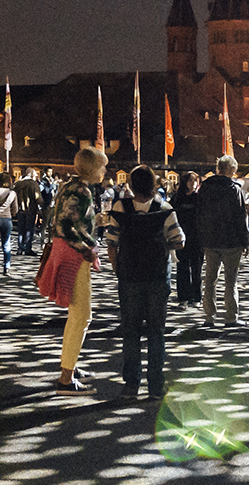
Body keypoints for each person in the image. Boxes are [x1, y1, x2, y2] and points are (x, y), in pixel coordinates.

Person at [109, 164, 184, 399]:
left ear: (131, 184)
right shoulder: (164, 208)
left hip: (129, 276)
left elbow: (112, 242)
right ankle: (155, 385)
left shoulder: (121, 207)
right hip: (157, 276)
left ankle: (131, 384)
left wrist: (118, 269)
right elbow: (179, 240)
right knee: (156, 331)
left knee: (130, 331)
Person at [46, 145, 107, 393]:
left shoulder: (69, 186)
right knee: (82, 315)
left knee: (75, 315)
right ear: (93, 169)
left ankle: (69, 364)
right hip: (74, 256)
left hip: (66, 252)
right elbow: (65, 226)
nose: (104, 171)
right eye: (102, 166)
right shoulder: (82, 192)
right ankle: (66, 377)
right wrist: (86, 248)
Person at [195, 156, 249, 327]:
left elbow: (199, 213)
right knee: (230, 280)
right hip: (231, 239)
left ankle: (209, 316)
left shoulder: (205, 188)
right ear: (231, 170)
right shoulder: (234, 189)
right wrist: (245, 240)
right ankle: (231, 316)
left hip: (210, 239)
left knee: (210, 278)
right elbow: (241, 217)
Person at [171, 172, 203, 304]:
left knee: (197, 268)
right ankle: (183, 296)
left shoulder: (199, 198)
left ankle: (196, 296)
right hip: (181, 238)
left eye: (195, 181)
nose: (192, 183)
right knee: (182, 268)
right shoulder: (177, 198)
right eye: (190, 181)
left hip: (197, 238)